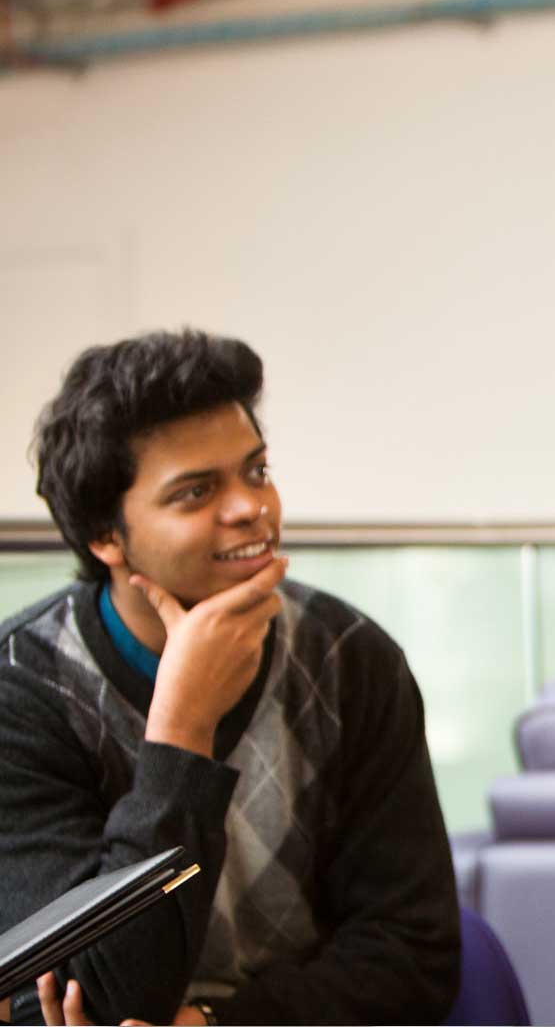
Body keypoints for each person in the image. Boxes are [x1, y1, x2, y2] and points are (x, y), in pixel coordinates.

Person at [0, 330, 459, 1026]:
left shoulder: (350, 657)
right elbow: (84, 999)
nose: (251, 508)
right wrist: (182, 730)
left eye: (256, 471)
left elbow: (414, 954)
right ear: (106, 536)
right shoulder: (20, 690)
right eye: (194, 492)